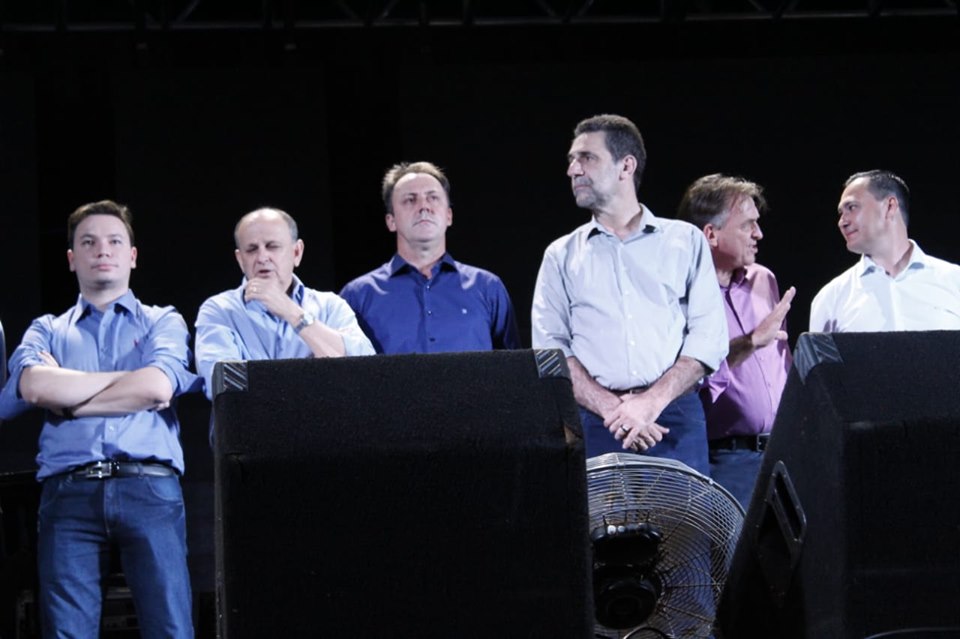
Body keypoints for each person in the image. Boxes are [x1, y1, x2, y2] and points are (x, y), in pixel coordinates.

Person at [0, 200, 198, 637]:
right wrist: (130, 379)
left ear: (132, 255)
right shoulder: (46, 329)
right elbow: (33, 388)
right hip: (69, 492)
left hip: (149, 487)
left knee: (171, 628)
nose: (102, 250)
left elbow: (157, 388)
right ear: (72, 259)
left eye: (114, 241)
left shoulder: (163, 321)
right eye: (88, 243)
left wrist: (71, 402)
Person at [531, 114, 728, 474]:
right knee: (599, 515)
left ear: (626, 166)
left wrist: (650, 403)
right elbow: (550, 348)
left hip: (674, 418)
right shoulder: (560, 255)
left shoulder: (685, 241)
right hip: (596, 422)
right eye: (571, 160)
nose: (573, 170)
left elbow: (708, 337)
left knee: (681, 514)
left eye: (587, 158)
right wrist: (615, 411)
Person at [678, 174, 795, 508]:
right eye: (747, 225)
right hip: (725, 461)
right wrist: (751, 342)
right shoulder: (681, 296)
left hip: (784, 455)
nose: (759, 234)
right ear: (711, 234)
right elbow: (690, 380)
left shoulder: (764, 279)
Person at [339, 161, 521, 353]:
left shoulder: (488, 288)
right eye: (410, 200)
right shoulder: (358, 296)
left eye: (433, 198)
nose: (424, 207)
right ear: (391, 221)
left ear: (449, 216)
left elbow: (513, 366)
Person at [195, 207, 374, 397]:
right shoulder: (219, 311)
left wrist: (292, 312)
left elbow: (365, 373)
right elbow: (223, 387)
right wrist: (317, 377)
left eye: (272, 246)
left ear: (297, 252)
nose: (262, 257)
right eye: (252, 249)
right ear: (240, 260)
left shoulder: (331, 306)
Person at [810, 170, 960, 332]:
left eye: (851, 207)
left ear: (890, 206)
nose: (842, 222)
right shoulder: (830, 298)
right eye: (841, 213)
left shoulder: (954, 280)